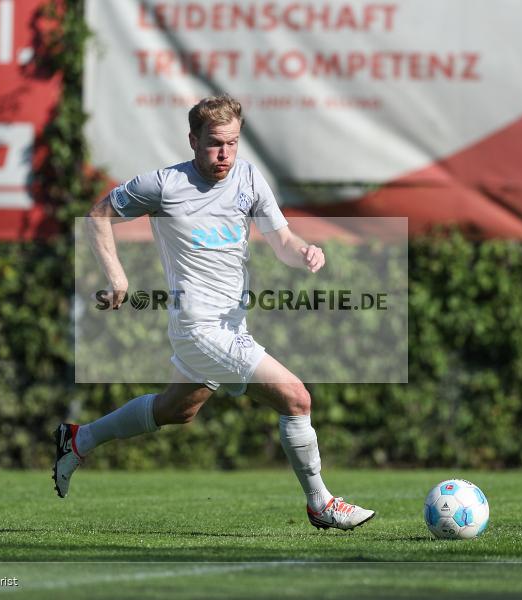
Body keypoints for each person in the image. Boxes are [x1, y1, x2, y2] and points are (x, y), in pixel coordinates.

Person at [53, 94, 375, 531]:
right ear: (192, 140)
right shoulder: (163, 185)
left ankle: (79, 439)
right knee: (296, 397)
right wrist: (118, 279)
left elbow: (282, 240)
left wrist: (306, 253)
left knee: (176, 411)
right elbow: (97, 216)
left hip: (230, 323)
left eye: (233, 143)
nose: (224, 153)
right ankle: (321, 503)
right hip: (197, 327)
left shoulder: (248, 179)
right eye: (214, 143)